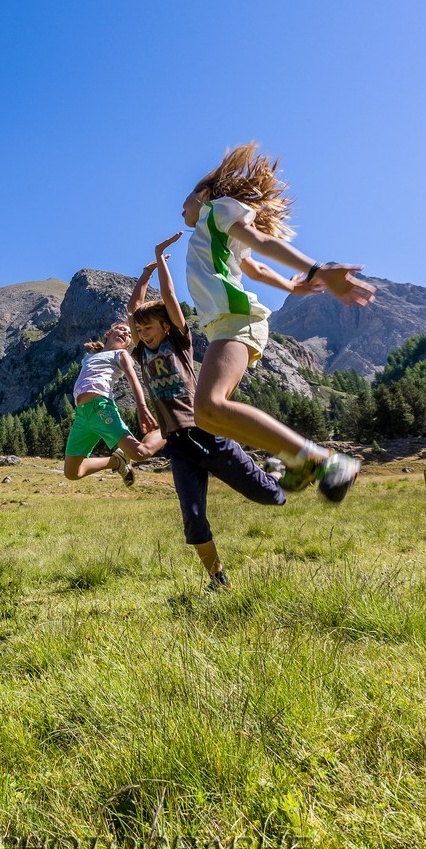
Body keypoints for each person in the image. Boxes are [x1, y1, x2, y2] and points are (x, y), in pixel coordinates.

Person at [181, 143, 375, 501]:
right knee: (206, 414)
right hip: (225, 323)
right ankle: (299, 460)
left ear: (205, 193)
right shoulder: (214, 231)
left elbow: (261, 240)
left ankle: (320, 460)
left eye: (187, 199)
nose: (182, 208)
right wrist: (290, 286)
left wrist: (317, 270)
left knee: (209, 405)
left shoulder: (218, 209)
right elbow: (254, 267)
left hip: (237, 318)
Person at [129, 237, 286, 589]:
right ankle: (218, 579)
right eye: (139, 330)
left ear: (165, 327)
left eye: (148, 328)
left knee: (269, 496)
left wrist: (161, 261)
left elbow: (169, 298)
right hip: (177, 445)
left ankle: (277, 471)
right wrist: (144, 274)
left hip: (207, 433)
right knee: (193, 517)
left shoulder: (179, 343)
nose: (143, 334)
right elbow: (133, 308)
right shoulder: (141, 353)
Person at [63, 319, 159, 486]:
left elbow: (133, 379)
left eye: (129, 335)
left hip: (101, 407)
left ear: (128, 345)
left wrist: (142, 407)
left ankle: (172, 428)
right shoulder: (89, 357)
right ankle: (116, 461)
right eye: (121, 329)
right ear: (108, 334)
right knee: (72, 472)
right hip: (82, 414)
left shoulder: (121, 354)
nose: (126, 333)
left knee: (140, 453)